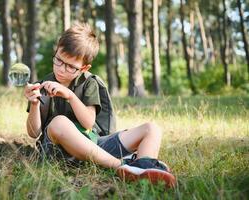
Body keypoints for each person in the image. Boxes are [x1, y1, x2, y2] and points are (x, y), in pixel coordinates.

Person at [24, 22, 176, 188]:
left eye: (70, 67)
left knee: (151, 129)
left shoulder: (89, 83)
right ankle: (122, 167)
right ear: (56, 52)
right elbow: (33, 133)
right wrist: (33, 104)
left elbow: (88, 123)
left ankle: (144, 169)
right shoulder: (43, 85)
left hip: (93, 145)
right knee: (59, 122)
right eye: (58, 60)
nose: (61, 69)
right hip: (57, 152)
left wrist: (70, 96)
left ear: (84, 68)